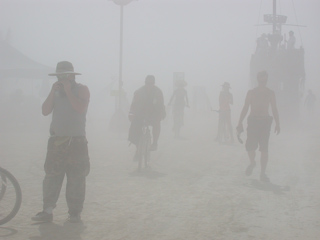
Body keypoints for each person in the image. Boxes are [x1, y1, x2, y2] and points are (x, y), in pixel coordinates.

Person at [32, 61, 90, 223]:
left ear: (72, 76)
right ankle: (47, 210)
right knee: (51, 176)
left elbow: (80, 108)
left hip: (76, 141)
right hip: (57, 141)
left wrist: (68, 91)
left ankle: (74, 213)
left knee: (77, 178)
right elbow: (45, 111)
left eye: (64, 75)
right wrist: (53, 91)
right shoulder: (56, 91)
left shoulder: (82, 89)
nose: (61, 78)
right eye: (59, 75)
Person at [236, 71, 280, 182]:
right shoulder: (251, 92)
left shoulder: (270, 93)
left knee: (264, 149)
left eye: (264, 80)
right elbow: (246, 107)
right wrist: (240, 121)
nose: (263, 82)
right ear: (258, 80)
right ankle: (252, 163)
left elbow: (274, 108)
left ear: (266, 80)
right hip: (253, 121)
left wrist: (278, 123)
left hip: (265, 122)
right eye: (261, 80)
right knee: (250, 147)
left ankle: (262, 173)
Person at [128, 75, 165, 151]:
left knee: (157, 124)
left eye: (151, 83)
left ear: (154, 83)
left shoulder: (158, 92)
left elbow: (161, 105)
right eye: (147, 83)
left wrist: (161, 114)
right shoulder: (139, 92)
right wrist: (131, 114)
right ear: (145, 83)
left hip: (154, 114)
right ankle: (137, 146)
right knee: (135, 126)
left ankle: (154, 143)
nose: (149, 85)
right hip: (141, 114)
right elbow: (133, 104)